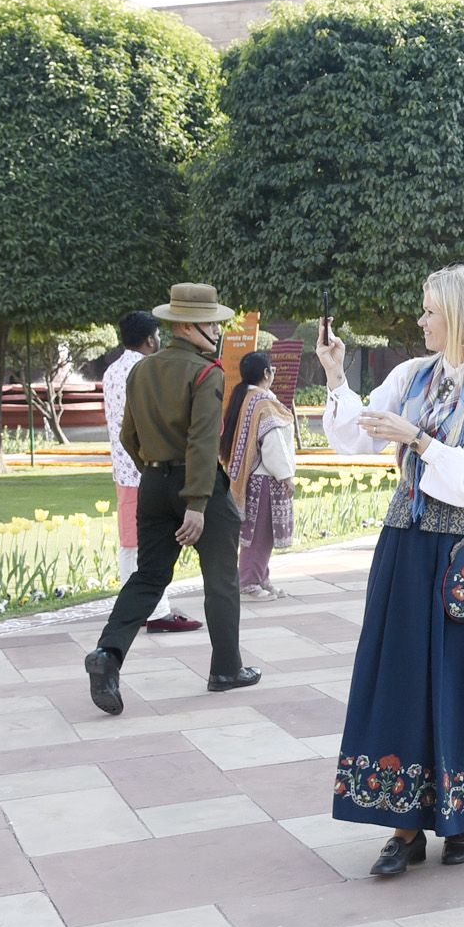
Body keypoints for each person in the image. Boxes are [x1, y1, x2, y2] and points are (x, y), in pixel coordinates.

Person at [316, 265, 464, 876]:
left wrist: (418, 439)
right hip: (408, 544)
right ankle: (404, 825)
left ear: (460, 317)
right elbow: (356, 437)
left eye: (431, 310)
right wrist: (335, 375)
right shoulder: (411, 374)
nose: (422, 319)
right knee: (402, 674)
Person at [82, 285, 260, 717]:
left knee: (149, 576)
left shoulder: (142, 370)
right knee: (220, 579)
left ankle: (108, 653)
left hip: (153, 483)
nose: (217, 329)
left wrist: (154, 474)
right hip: (198, 486)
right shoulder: (206, 372)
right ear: (188, 326)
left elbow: (128, 435)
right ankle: (226, 669)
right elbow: (202, 441)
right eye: (211, 322)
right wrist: (195, 503)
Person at [91, 312, 201, 635]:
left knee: (132, 541)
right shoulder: (147, 369)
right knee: (150, 545)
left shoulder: (112, 371)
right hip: (149, 467)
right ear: (150, 339)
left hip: (124, 469)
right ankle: (155, 610)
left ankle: (140, 608)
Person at [222, 350, 296, 599]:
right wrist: (285, 476)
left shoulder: (244, 397)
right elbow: (273, 443)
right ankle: (250, 581)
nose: (273, 373)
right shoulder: (263, 402)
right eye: (272, 369)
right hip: (264, 477)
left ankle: (261, 577)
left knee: (260, 533)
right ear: (266, 373)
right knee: (260, 534)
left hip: (250, 477)